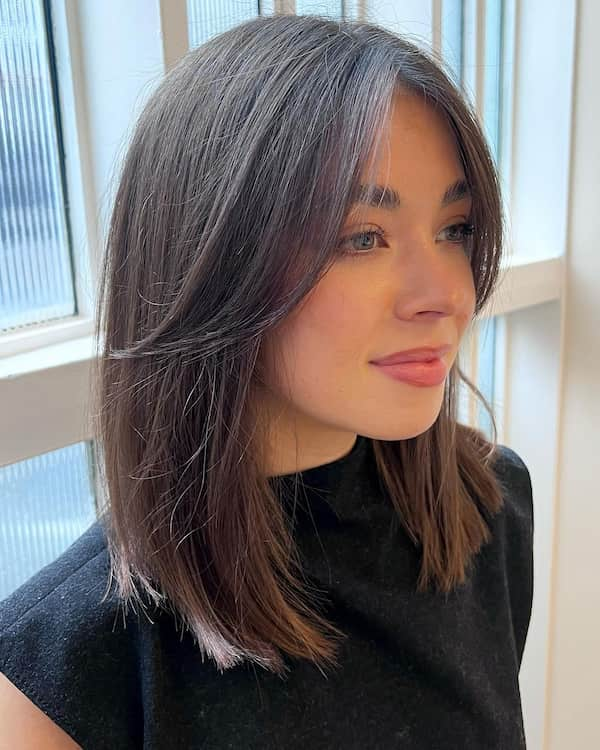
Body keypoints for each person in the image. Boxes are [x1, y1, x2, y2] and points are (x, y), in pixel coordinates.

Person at [0, 12, 534, 749]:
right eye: (363, 238)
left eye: (456, 230)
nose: (444, 294)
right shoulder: (61, 671)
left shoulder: (488, 509)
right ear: (214, 263)